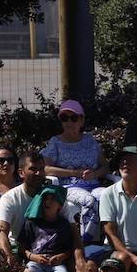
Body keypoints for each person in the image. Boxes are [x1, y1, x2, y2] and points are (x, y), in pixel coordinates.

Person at [42, 99, 108, 242]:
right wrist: (75, 173)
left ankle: (110, 240)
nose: (69, 122)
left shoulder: (90, 141)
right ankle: (87, 242)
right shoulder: (56, 143)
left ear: (82, 120)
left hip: (93, 185)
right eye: (64, 118)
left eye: (73, 118)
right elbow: (46, 169)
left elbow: (105, 166)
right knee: (88, 200)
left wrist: (95, 174)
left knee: (108, 196)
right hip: (68, 187)